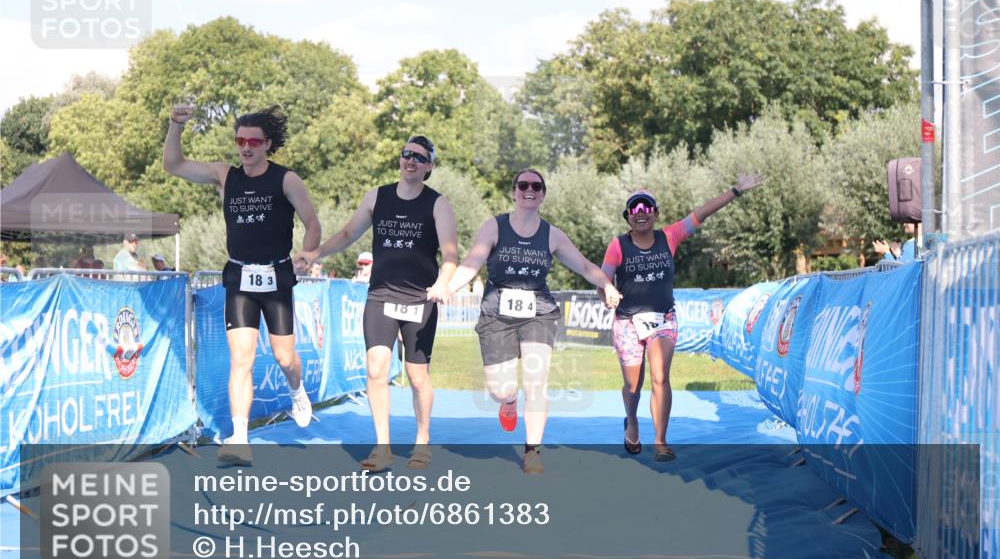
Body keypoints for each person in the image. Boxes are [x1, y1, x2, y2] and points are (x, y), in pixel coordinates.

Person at [164, 104, 321, 466]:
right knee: (241, 359)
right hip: (240, 277)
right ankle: (239, 437)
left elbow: (312, 222)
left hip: (277, 275)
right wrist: (175, 125)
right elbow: (173, 165)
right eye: (240, 140)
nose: (246, 147)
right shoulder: (225, 175)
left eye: (253, 141)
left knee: (284, 357)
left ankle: (297, 390)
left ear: (267, 144)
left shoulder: (286, 179)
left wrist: (308, 254)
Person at [296, 135, 458, 472]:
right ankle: (382, 447)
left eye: (418, 157)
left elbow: (451, 252)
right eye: (405, 154)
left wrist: (444, 281)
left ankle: (422, 441)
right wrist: (315, 253)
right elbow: (345, 235)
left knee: (417, 376)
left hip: (420, 298)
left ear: (428, 166)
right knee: (375, 369)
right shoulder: (377, 197)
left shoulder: (438, 204)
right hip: (381, 295)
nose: (410, 160)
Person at [448, 168, 622, 474]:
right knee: (501, 389)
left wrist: (606, 285)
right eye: (523, 185)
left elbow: (582, 264)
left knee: (536, 381)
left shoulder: (552, 234)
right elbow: (471, 263)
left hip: (538, 312)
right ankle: (509, 401)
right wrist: (447, 288)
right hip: (497, 314)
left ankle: (532, 451)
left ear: (543, 194)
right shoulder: (494, 227)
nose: (530, 190)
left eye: (536, 186)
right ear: (514, 192)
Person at [601, 175, 764, 462]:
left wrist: (736, 191)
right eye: (634, 210)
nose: (641, 213)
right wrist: (607, 292)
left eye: (646, 207)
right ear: (627, 217)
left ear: (656, 213)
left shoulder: (670, 236)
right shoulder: (617, 245)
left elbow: (702, 212)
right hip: (627, 322)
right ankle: (632, 420)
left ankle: (661, 441)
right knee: (633, 385)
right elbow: (602, 279)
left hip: (663, 318)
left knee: (661, 377)